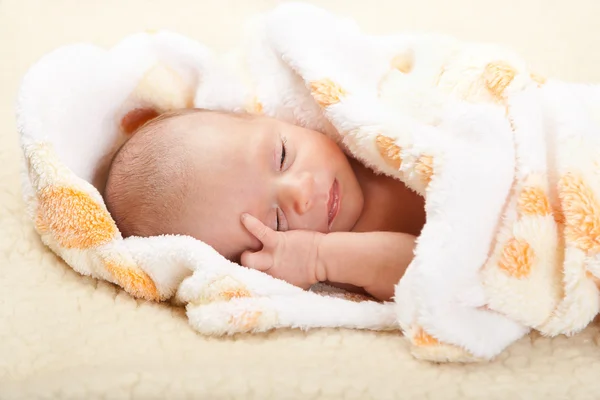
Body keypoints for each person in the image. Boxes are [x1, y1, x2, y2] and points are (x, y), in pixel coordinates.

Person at [104, 108, 426, 301]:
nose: (301, 192)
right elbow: (431, 271)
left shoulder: (358, 124)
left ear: (269, 118)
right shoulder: (340, 259)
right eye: (276, 223)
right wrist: (319, 257)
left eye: (283, 156)